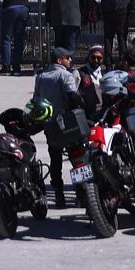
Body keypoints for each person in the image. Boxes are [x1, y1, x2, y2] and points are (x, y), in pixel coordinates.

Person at [34, 46, 80, 207]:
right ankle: (81, 193)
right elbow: (73, 97)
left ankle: (59, 194)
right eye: (68, 58)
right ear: (60, 60)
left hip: (50, 124)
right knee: (77, 157)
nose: (70, 60)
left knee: (55, 159)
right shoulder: (65, 75)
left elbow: (36, 100)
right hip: (67, 122)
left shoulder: (40, 76)